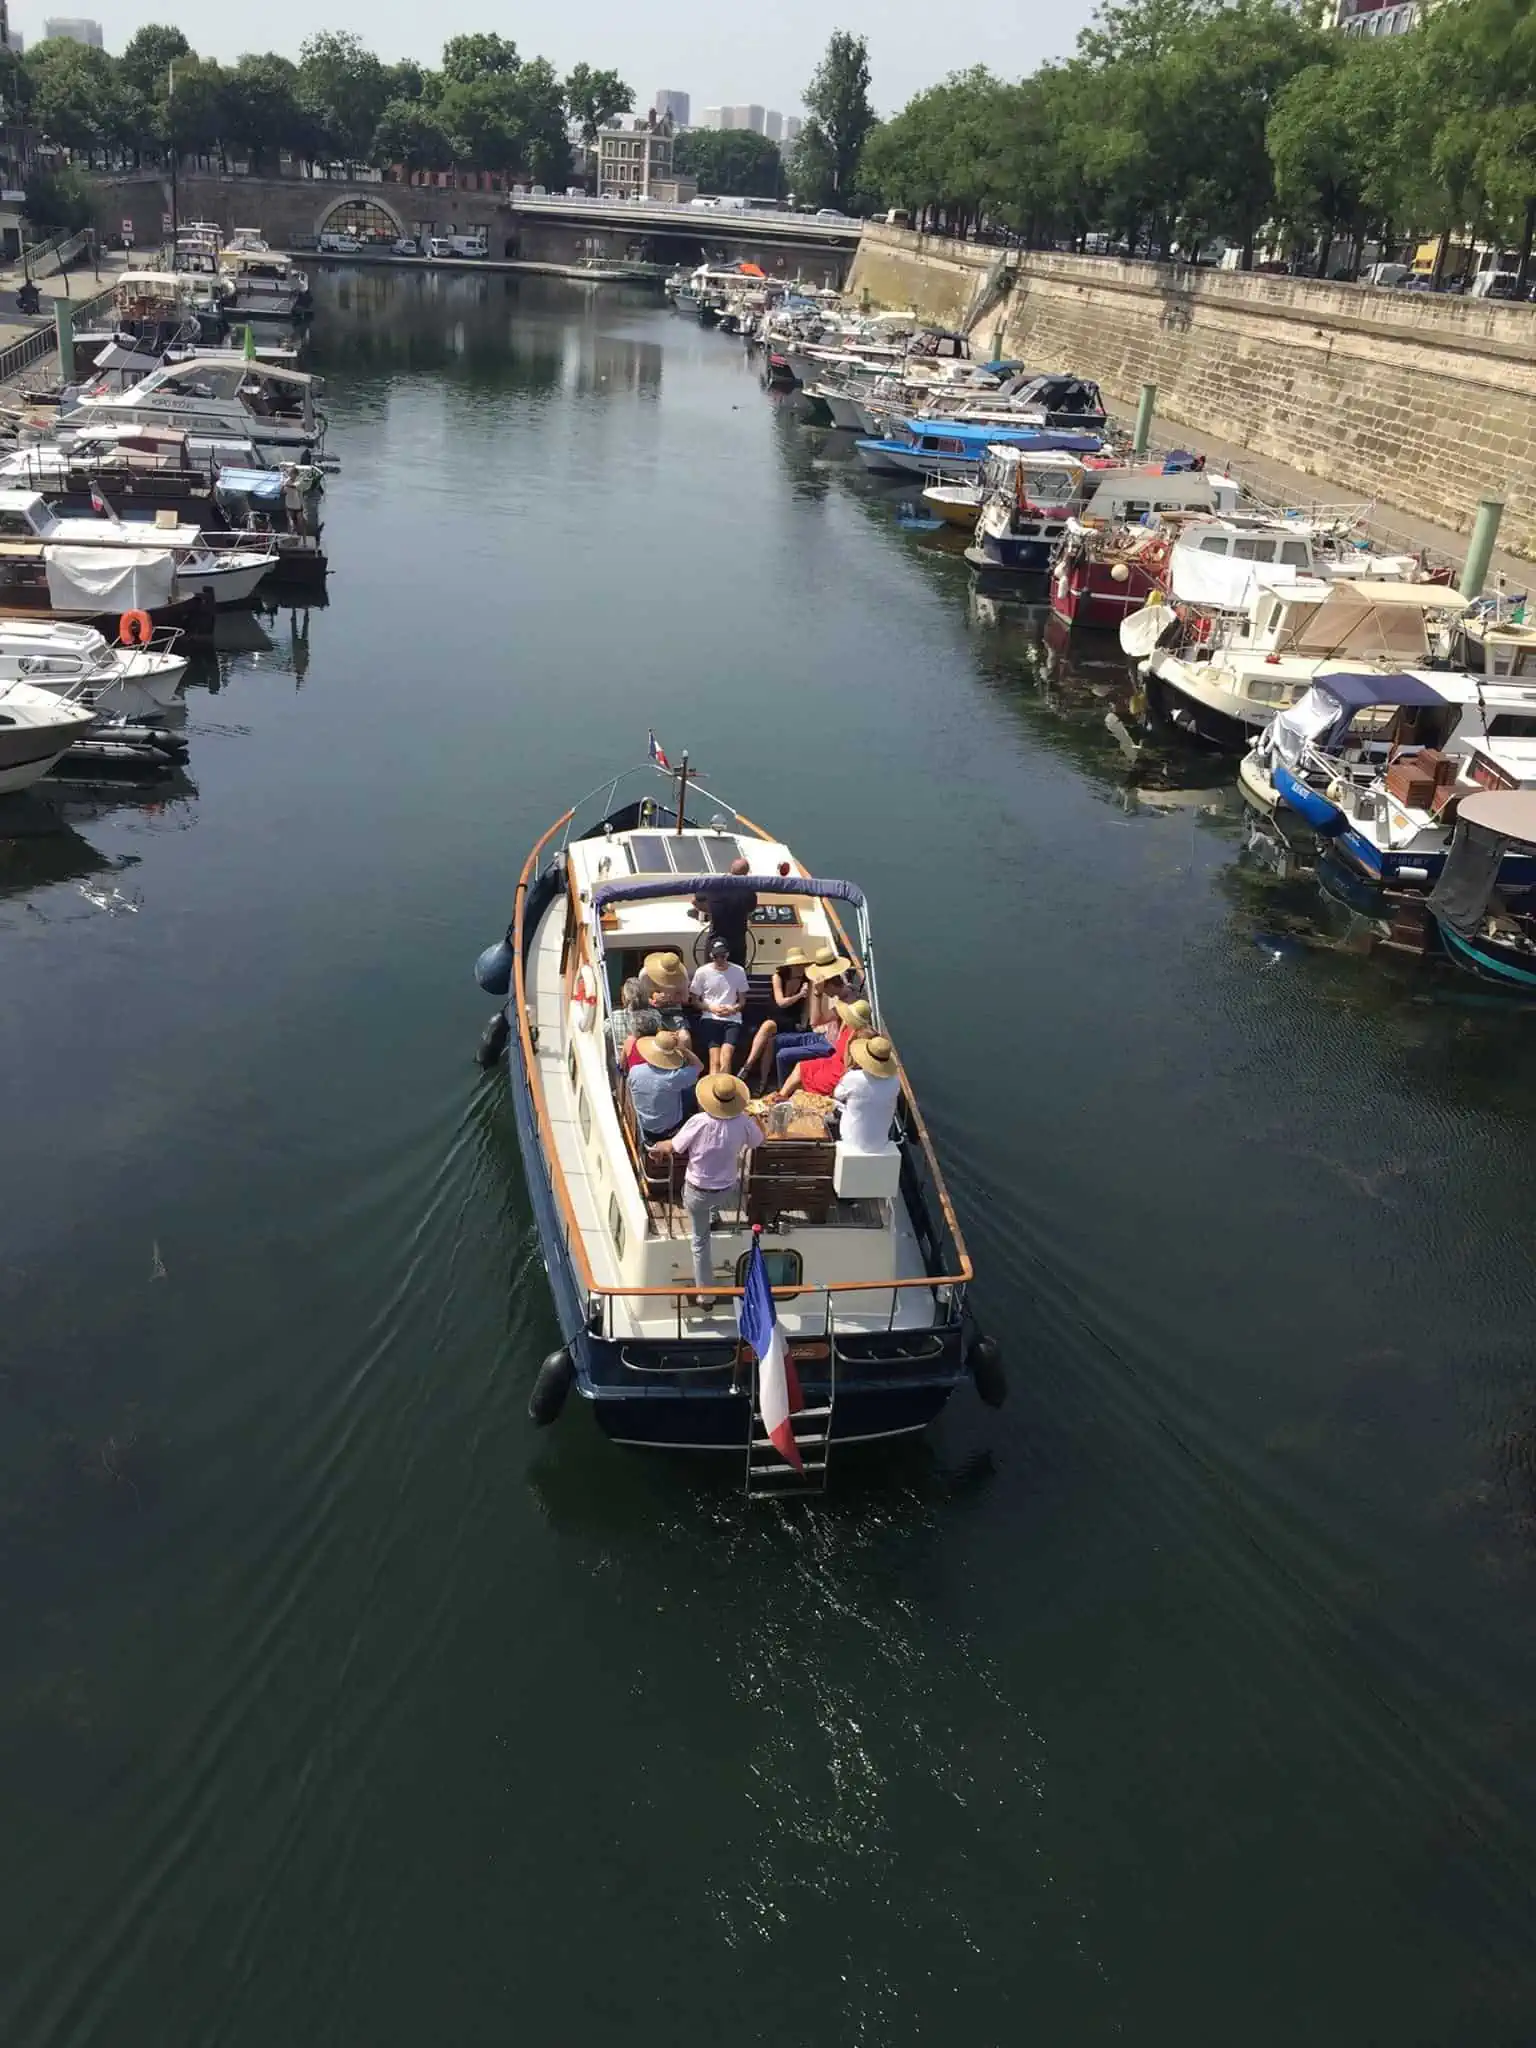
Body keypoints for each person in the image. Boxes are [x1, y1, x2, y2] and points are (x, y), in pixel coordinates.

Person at [651, 1072, 764, 1306]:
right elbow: (757, 1141)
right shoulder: (743, 1122)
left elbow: (675, 1146)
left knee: (700, 1242)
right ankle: (712, 1213)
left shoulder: (699, 1122)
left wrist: (657, 1147)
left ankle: (706, 1295)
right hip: (726, 1189)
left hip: (696, 1191)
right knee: (712, 1202)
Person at [769, 997, 873, 1103]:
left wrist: (850, 1041)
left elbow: (849, 1066)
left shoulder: (860, 1039)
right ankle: (781, 1096)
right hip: (833, 1060)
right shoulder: (846, 1025)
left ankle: (788, 1101)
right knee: (801, 1066)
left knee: (812, 1079)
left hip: (840, 1072)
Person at [771, 952, 851, 1085]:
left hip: (830, 1045)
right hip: (824, 1036)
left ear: (829, 984)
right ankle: (783, 1081)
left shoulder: (846, 1002)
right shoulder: (845, 993)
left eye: (824, 989)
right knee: (778, 1040)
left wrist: (817, 994)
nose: (825, 993)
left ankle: (784, 1093)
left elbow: (815, 1021)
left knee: (782, 1055)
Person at [740, 947, 811, 1092]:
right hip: (776, 1015)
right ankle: (761, 1080)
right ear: (790, 966)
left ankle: (749, 1070)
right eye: (797, 965)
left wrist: (803, 1024)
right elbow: (780, 1002)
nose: (800, 968)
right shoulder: (778, 977)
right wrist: (799, 995)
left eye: (802, 965)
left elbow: (806, 1007)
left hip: (791, 1020)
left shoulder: (806, 981)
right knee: (769, 1032)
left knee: (769, 1031)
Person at [688, 936, 751, 1074]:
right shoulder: (702, 972)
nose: (720, 960)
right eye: (716, 956)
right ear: (711, 955)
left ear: (727, 954)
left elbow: (742, 1000)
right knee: (715, 1060)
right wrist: (711, 1008)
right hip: (710, 1017)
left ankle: (724, 1090)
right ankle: (714, 1090)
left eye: (722, 956)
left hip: (732, 1018)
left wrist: (733, 1008)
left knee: (726, 1057)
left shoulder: (738, 971)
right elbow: (694, 1000)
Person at [627, 1030, 703, 1142]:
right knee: (692, 1090)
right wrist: (684, 1049)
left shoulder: (635, 1071)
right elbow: (699, 1066)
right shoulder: (674, 1078)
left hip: (643, 1127)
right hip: (668, 1130)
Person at [833, 1034, 901, 1151]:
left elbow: (837, 1095)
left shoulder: (854, 1077)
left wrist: (848, 1070)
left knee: (832, 1106)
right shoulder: (895, 1082)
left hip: (850, 1139)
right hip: (880, 1143)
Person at [692, 855, 758, 965]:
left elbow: (695, 901)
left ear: (731, 869)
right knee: (736, 975)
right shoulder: (749, 893)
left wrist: (711, 910)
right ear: (746, 873)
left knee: (712, 973)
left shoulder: (716, 886)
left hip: (716, 942)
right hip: (737, 945)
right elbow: (751, 909)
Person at [638, 951, 693, 1046]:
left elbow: (685, 999)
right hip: (649, 1010)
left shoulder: (682, 975)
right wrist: (653, 999)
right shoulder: (644, 974)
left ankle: (687, 1059)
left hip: (674, 1011)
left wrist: (669, 999)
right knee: (649, 1035)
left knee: (685, 1038)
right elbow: (641, 997)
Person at [608, 977, 662, 1067]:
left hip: (623, 1065)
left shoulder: (614, 1018)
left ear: (624, 999)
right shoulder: (655, 1015)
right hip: (648, 1061)